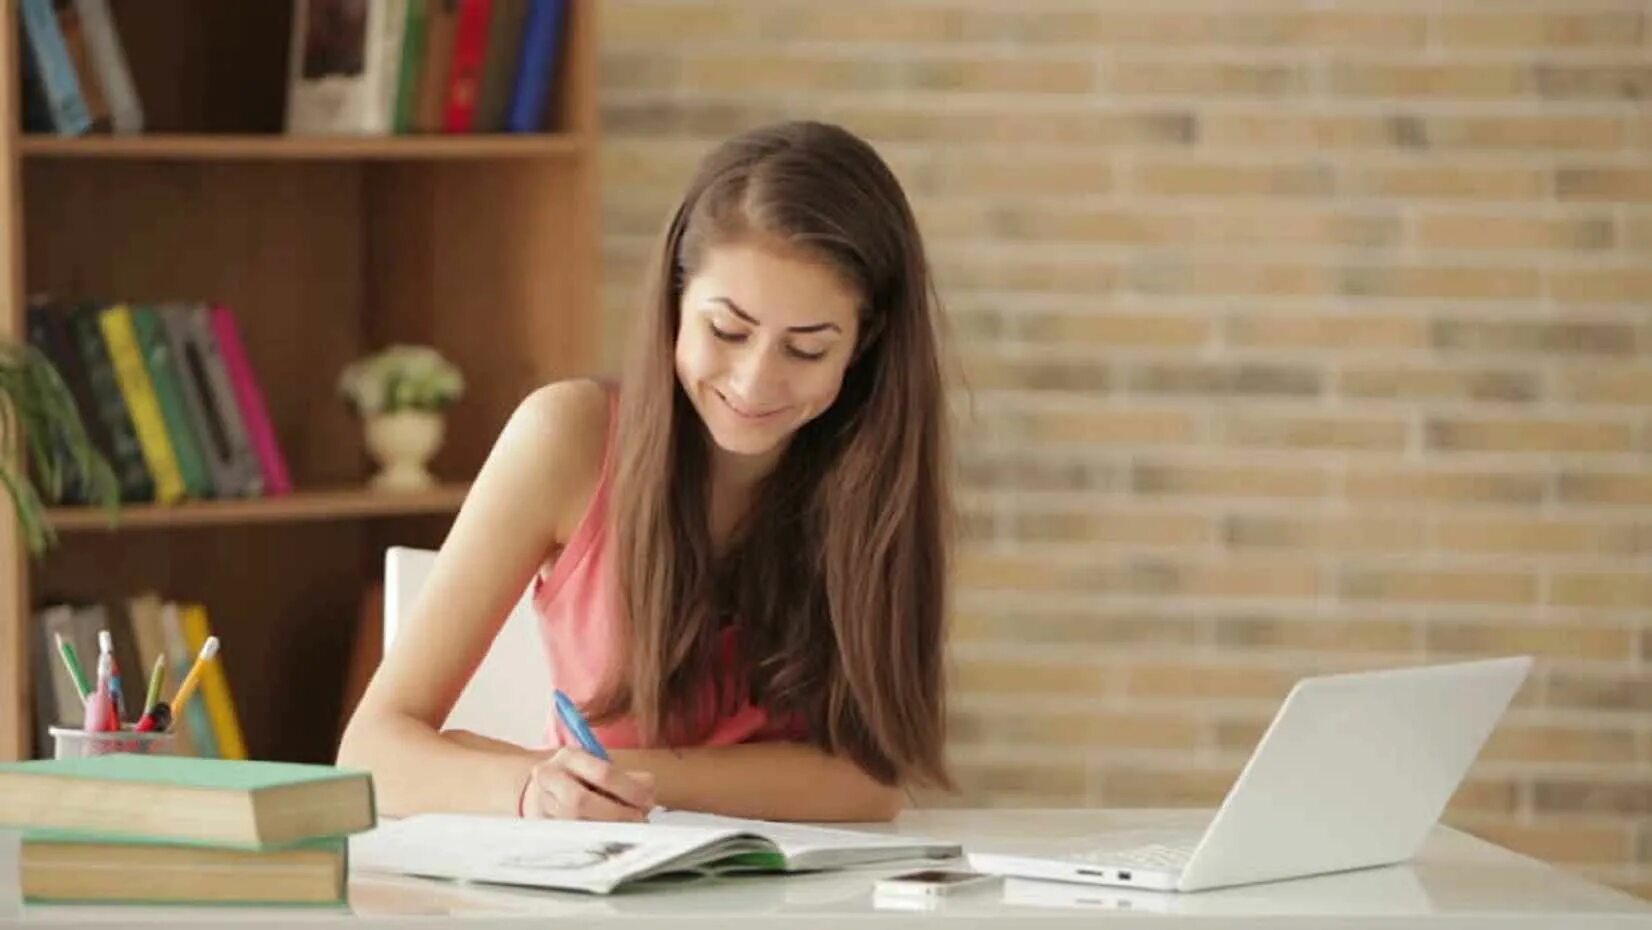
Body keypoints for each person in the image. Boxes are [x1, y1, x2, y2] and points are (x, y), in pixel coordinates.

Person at [338, 120, 952, 823]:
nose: (755, 382)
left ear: (864, 346)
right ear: (673, 305)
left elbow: (868, 781)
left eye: (807, 350)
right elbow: (372, 751)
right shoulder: (568, 437)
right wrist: (532, 789)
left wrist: (610, 775)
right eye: (727, 331)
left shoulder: (877, 474)